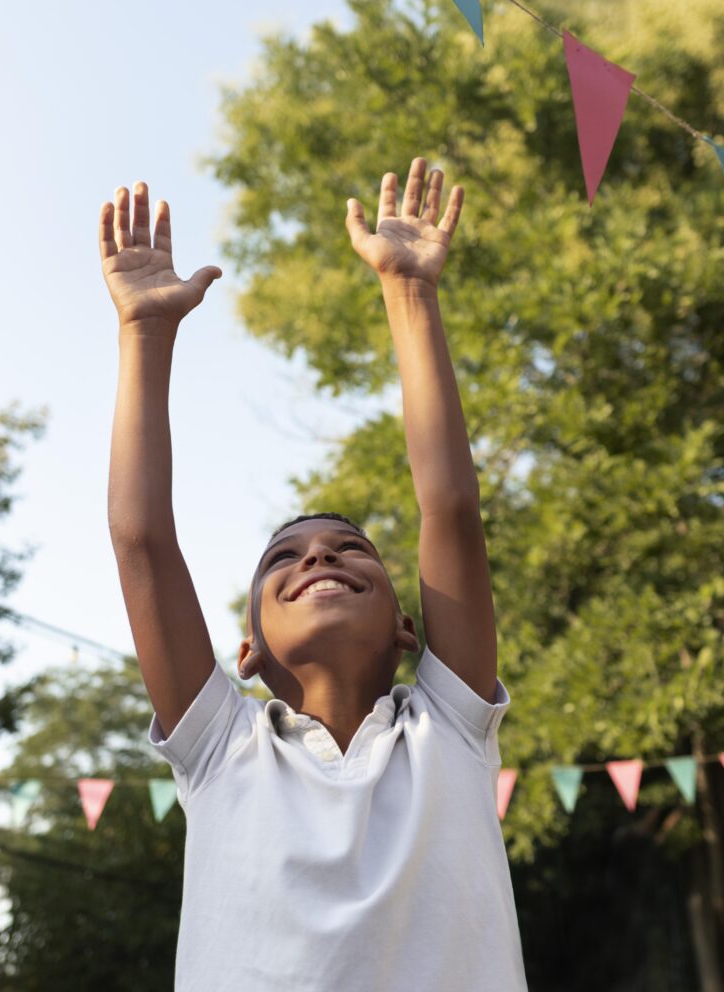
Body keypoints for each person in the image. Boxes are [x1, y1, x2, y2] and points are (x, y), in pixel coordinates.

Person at [100, 156, 528, 990]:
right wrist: (143, 335)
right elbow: (141, 540)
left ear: (412, 629)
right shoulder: (222, 744)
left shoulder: (449, 726)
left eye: (350, 548)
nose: (320, 557)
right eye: (284, 562)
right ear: (247, 653)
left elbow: (449, 507)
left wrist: (410, 294)